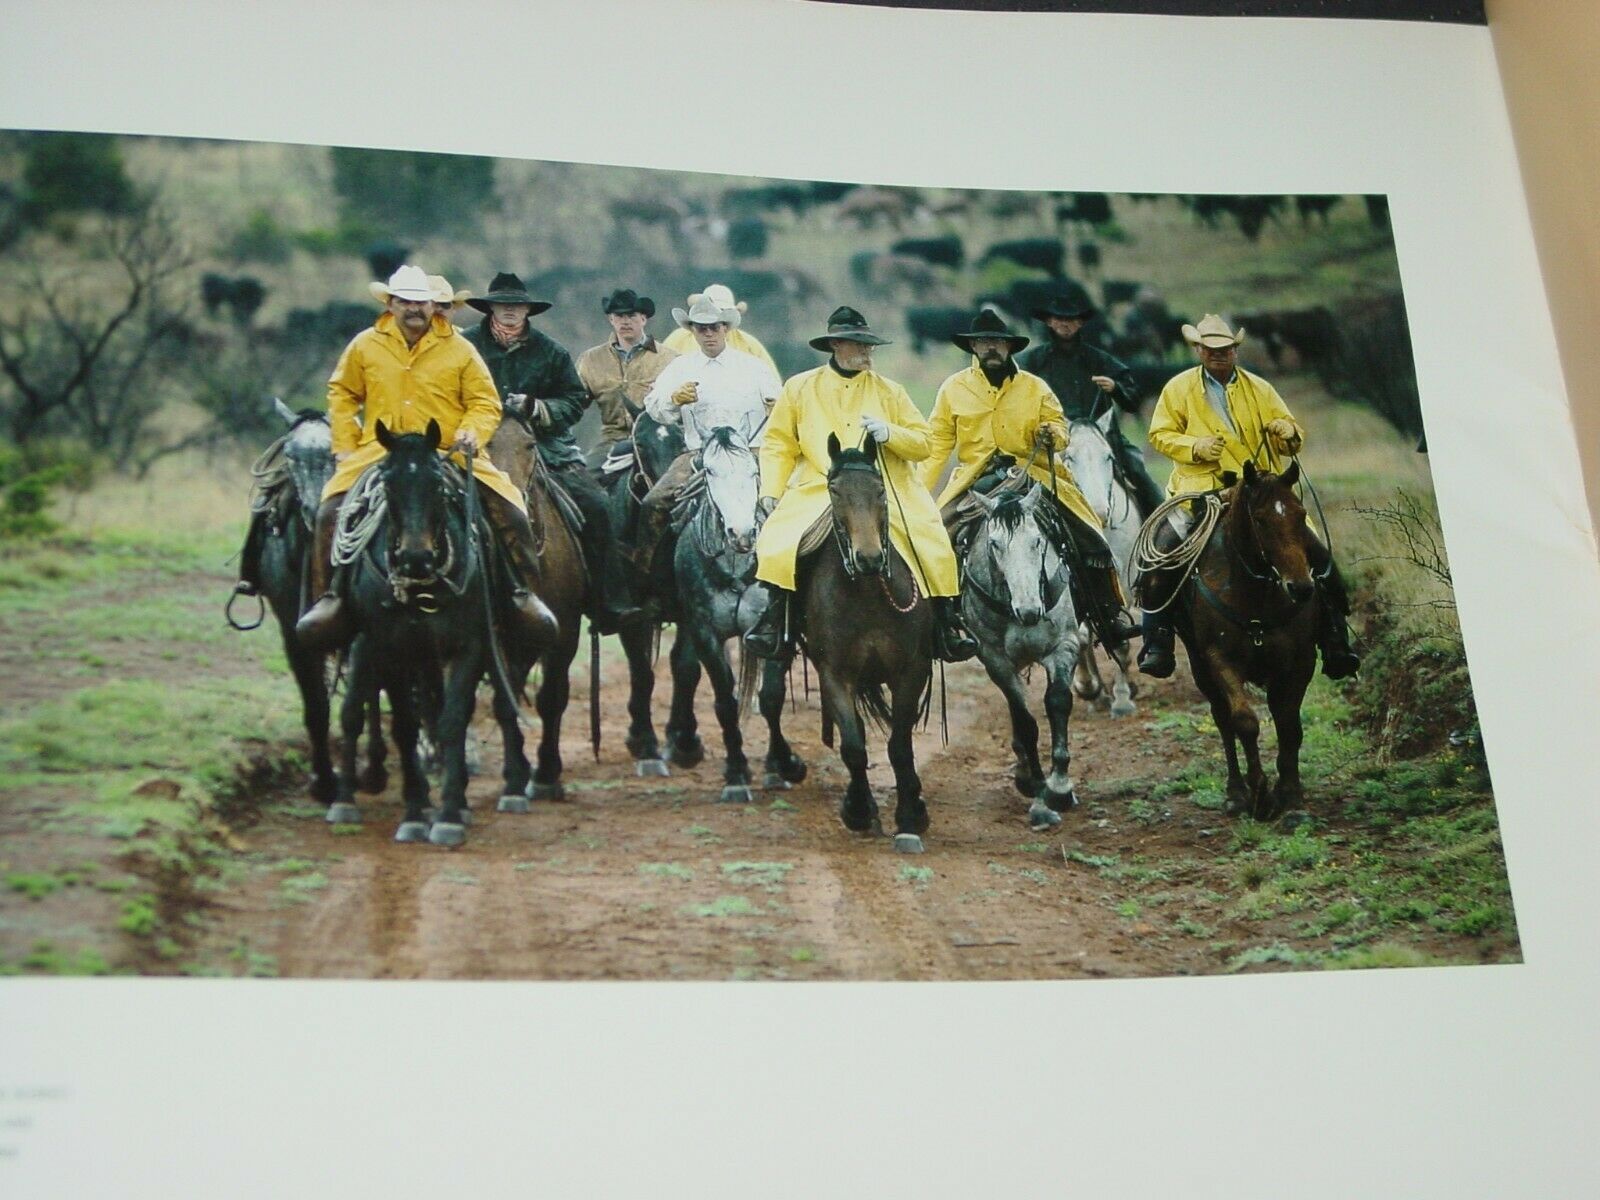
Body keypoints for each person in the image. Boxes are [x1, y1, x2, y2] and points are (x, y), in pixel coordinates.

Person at [294, 265, 555, 651]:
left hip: (449, 451)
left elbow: (484, 401)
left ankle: (521, 596)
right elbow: (342, 392)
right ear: (391, 304)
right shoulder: (365, 344)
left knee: (511, 509)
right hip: (378, 451)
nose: (413, 308)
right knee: (328, 512)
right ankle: (330, 598)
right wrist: (345, 442)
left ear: (433, 305)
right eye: (405, 301)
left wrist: (472, 432)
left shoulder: (460, 348)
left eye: (420, 301)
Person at [743, 305, 977, 663]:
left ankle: (947, 625)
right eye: (859, 345)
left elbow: (925, 443)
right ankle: (776, 624)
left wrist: (891, 434)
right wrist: (771, 492)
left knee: (934, 542)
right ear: (837, 345)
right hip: (821, 488)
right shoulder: (800, 388)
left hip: (886, 488)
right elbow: (778, 444)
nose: (868, 353)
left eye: (870, 346)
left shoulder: (891, 391)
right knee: (777, 543)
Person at [1136, 313, 1360, 680]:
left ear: (1235, 350)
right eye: (1210, 349)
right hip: (1201, 491)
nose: (1218, 355)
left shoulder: (1261, 388)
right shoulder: (1177, 388)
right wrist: (1195, 446)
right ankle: (1157, 641)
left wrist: (1288, 431)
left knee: (1315, 548)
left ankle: (1335, 638)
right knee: (1163, 551)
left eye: (1224, 349)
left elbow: (1293, 439)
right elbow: (1159, 435)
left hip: (1261, 489)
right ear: (1198, 349)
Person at [921, 309, 1136, 649]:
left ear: (1009, 347)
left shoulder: (1034, 387)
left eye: (997, 342)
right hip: (976, 480)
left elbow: (1059, 426)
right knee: (934, 540)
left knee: (1091, 537)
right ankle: (944, 624)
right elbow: (936, 444)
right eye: (983, 342)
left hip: (1032, 472)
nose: (990, 348)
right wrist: (920, 492)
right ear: (973, 347)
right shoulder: (953, 389)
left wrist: (1052, 433)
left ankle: (1107, 615)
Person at [461, 272, 642, 634]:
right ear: (491, 307)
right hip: (477, 441)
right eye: (503, 305)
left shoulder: (551, 351)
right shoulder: (464, 347)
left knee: (595, 503)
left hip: (545, 445)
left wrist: (537, 408)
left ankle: (608, 601)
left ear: (528, 309)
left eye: (517, 305)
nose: (510, 311)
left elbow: (574, 400)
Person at [636, 292, 782, 570]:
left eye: (714, 328)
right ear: (692, 332)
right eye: (701, 329)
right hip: (699, 455)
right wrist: (673, 399)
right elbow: (653, 407)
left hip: (751, 455)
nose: (709, 335)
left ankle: (797, 587)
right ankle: (650, 584)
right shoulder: (681, 367)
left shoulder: (753, 367)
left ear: (726, 328)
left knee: (787, 504)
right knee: (653, 504)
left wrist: (775, 408)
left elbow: (782, 406)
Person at [1016, 289, 1165, 516]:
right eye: (1059, 319)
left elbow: (1133, 400)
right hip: (1048, 440)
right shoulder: (1031, 361)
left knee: (1136, 468)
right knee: (1015, 479)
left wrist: (1116, 388)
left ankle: (1161, 529)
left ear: (1080, 324)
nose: (1065, 325)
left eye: (1071, 320)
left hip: (1102, 436)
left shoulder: (1100, 359)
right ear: (1049, 322)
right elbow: (1011, 395)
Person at [575, 288, 678, 460]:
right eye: (619, 316)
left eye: (631, 316)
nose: (625, 321)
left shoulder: (670, 359)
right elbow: (572, 403)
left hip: (660, 440)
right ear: (611, 319)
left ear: (643, 319)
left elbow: (684, 406)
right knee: (585, 481)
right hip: (611, 441)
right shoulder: (590, 360)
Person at [660, 283, 780, 374]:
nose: (709, 331)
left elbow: (772, 385)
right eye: (702, 327)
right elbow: (659, 376)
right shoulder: (678, 339)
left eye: (716, 324)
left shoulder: (750, 345)